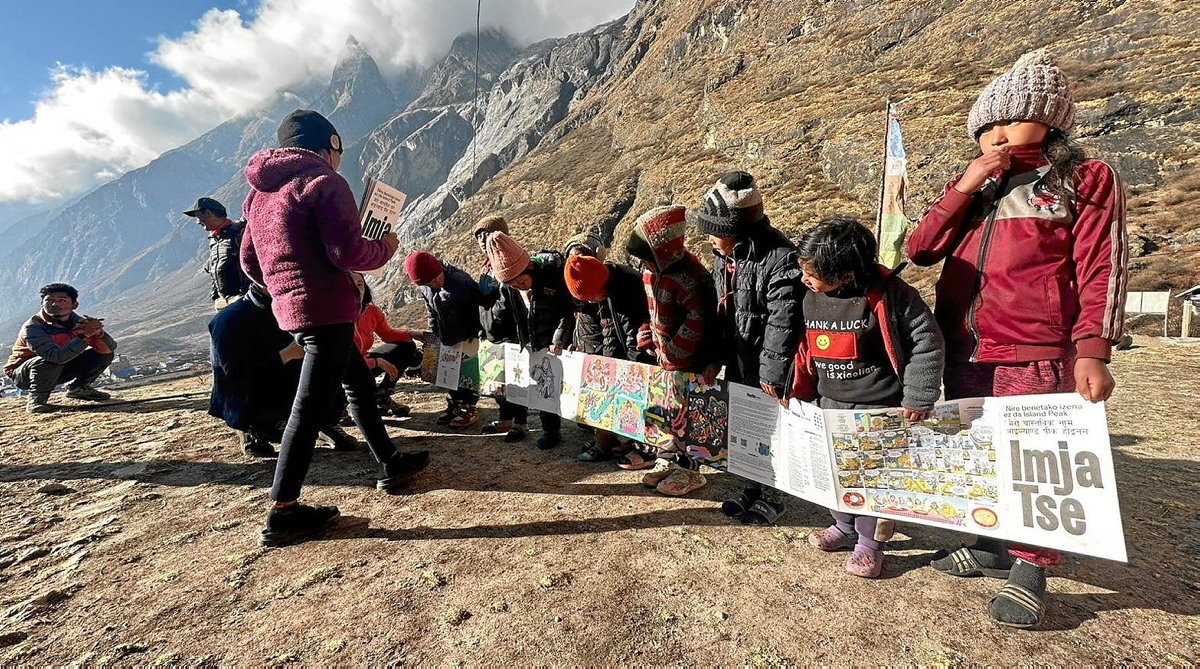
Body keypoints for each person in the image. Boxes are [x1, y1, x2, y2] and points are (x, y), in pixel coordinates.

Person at [907, 50, 1128, 627]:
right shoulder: (976, 185)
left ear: (1050, 121)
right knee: (978, 454)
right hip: (964, 347)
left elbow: (1101, 267)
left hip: (1037, 350)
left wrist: (1093, 350)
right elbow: (919, 248)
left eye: (1013, 120)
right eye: (987, 126)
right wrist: (965, 185)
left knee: (1035, 463)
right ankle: (988, 543)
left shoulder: (1083, 180)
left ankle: (1030, 567)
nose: (998, 135)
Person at [241, 108, 429, 547]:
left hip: (295, 311)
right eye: (338, 149)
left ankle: (390, 461)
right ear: (331, 144)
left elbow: (249, 263)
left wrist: (286, 289)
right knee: (308, 408)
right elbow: (348, 252)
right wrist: (385, 245)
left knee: (358, 384)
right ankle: (284, 511)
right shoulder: (324, 183)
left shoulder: (258, 195)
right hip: (328, 308)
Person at [788, 216, 944, 578]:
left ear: (844, 274)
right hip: (830, 404)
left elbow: (927, 342)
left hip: (878, 406)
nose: (804, 280)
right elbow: (802, 346)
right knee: (834, 472)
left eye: (811, 273)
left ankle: (869, 545)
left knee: (873, 478)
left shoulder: (890, 294)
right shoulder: (811, 295)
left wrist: (919, 395)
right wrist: (796, 388)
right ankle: (843, 527)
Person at [689, 170, 803, 522]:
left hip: (768, 366)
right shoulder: (726, 256)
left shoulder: (780, 257)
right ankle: (751, 486)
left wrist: (772, 373)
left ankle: (773, 496)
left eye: (714, 231)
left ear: (735, 229)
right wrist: (713, 357)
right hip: (739, 358)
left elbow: (783, 321)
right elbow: (723, 311)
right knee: (746, 427)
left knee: (772, 429)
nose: (709, 238)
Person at [625, 205, 718, 496]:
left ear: (662, 252)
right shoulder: (651, 274)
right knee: (668, 413)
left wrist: (676, 352)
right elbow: (649, 311)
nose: (646, 266)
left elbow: (699, 320)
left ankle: (690, 470)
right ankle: (667, 459)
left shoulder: (690, 277)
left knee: (692, 416)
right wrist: (647, 336)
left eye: (648, 259)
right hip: (665, 361)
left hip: (689, 362)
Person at [208, 283, 360, 457]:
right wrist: (286, 355)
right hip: (253, 396)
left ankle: (324, 423)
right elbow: (236, 375)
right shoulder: (230, 319)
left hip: (288, 385)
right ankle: (253, 431)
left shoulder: (298, 307)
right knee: (277, 438)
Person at [483, 231, 575, 449]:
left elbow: (567, 311)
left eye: (522, 281)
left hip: (556, 342)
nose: (519, 286)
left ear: (530, 268)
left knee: (561, 385)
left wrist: (559, 339)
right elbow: (503, 314)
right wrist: (493, 334)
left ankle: (571, 429)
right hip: (530, 342)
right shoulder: (508, 288)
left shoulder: (552, 276)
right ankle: (548, 430)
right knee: (542, 387)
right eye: (513, 285)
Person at [562, 254, 653, 464]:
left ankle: (639, 445)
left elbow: (634, 332)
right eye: (588, 299)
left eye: (594, 295)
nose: (592, 301)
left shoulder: (627, 286)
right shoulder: (589, 297)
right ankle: (606, 440)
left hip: (637, 350)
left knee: (636, 397)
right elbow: (598, 332)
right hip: (612, 348)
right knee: (601, 390)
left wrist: (631, 368)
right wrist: (601, 364)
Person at [5, 283, 116, 414]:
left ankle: (79, 388)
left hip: (59, 367)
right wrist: (84, 336)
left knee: (104, 353)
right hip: (25, 374)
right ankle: (36, 401)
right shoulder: (33, 327)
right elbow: (54, 356)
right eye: (49, 300)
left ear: (74, 305)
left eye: (62, 300)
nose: (55, 304)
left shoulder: (78, 322)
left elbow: (110, 348)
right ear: (42, 304)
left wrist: (98, 333)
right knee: (48, 360)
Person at [404, 252, 483, 427]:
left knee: (467, 374)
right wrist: (435, 334)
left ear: (439, 269)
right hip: (446, 336)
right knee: (450, 374)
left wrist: (474, 333)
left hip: (467, 336)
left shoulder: (461, 282)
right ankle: (455, 404)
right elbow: (431, 311)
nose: (434, 284)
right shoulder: (426, 287)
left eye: (435, 279)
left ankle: (468, 408)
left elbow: (477, 309)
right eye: (427, 283)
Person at [349, 272, 415, 418]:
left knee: (407, 346)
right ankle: (338, 409)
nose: (356, 288)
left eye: (360, 284)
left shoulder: (371, 311)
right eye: (350, 284)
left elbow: (387, 334)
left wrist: (411, 334)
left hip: (365, 363)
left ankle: (382, 396)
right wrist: (377, 362)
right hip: (344, 370)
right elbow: (344, 359)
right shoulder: (335, 317)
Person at [184, 197, 249, 310]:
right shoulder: (215, 240)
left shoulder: (238, 234)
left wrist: (245, 296)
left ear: (208, 213)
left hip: (243, 301)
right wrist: (216, 297)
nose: (198, 222)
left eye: (198, 217)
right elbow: (214, 270)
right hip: (225, 303)